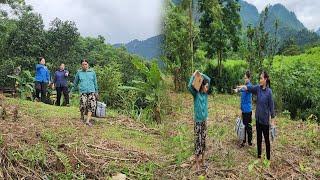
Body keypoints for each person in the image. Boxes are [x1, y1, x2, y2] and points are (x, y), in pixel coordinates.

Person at [237, 71, 275, 160]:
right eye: (260, 78)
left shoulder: (269, 92)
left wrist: (273, 122)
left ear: (265, 79)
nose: (260, 80)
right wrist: (241, 87)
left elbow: (271, 107)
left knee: (266, 140)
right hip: (258, 119)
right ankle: (259, 156)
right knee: (258, 138)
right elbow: (249, 88)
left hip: (265, 120)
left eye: (261, 78)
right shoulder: (258, 88)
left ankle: (268, 158)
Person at [188, 70, 211, 170]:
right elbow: (189, 86)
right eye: (206, 86)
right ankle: (197, 163)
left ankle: (203, 160)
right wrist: (193, 76)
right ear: (202, 86)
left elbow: (208, 79)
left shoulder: (205, 95)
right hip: (198, 121)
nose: (207, 88)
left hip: (204, 121)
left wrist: (200, 74)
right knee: (198, 141)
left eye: (207, 87)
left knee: (204, 141)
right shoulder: (196, 94)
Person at [70, 59, 98, 127]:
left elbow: (95, 82)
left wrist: (96, 91)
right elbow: (75, 83)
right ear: (81, 65)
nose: (84, 65)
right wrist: (71, 91)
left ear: (88, 65)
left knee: (91, 106)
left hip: (92, 91)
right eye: (83, 64)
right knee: (83, 105)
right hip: (83, 91)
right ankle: (82, 115)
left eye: (85, 64)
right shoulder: (79, 73)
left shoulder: (92, 72)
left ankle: (87, 121)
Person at [235, 71, 253, 147]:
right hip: (243, 109)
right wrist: (238, 88)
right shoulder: (245, 85)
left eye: (246, 78)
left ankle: (249, 141)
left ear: (249, 78)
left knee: (247, 126)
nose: (245, 79)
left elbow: (244, 88)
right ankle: (244, 140)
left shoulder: (249, 86)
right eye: (244, 78)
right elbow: (242, 88)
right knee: (244, 126)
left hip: (247, 110)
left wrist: (238, 89)